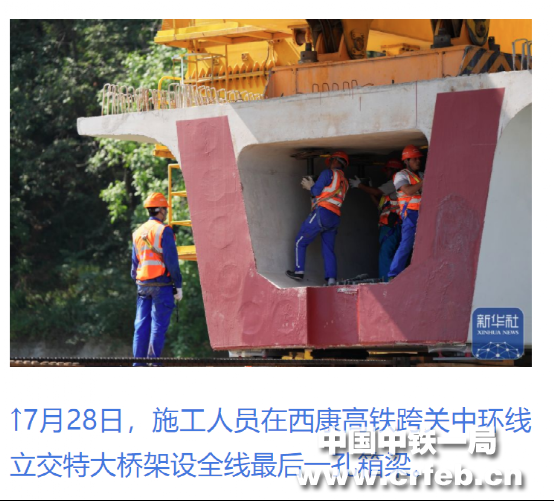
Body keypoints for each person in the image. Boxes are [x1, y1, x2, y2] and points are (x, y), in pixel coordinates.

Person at [131, 192, 183, 366]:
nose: (166, 212)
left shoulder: (137, 233)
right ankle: (153, 364)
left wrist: (140, 282)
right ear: (160, 210)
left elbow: (134, 265)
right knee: (158, 326)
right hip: (162, 285)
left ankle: (138, 365)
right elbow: (171, 262)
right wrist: (178, 285)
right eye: (165, 209)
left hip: (143, 285)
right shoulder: (163, 231)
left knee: (141, 325)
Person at [286, 151, 350, 286]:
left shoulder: (328, 173)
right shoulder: (345, 181)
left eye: (331, 160)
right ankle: (331, 280)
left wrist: (311, 187)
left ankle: (299, 272)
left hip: (322, 212)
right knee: (328, 249)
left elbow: (316, 192)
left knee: (300, 241)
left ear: (334, 160)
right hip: (335, 217)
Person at [349, 159, 403, 281]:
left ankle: (387, 281)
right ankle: (394, 280)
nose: (385, 173)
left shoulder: (395, 181)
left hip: (391, 225)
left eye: (387, 170)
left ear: (393, 170)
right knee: (392, 254)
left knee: (385, 255)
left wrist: (360, 186)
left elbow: (377, 192)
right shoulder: (394, 187)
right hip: (391, 225)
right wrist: (368, 189)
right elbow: (380, 206)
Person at [388, 145, 424, 279]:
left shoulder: (420, 175)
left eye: (419, 159)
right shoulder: (401, 175)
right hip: (410, 214)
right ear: (406, 161)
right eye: (414, 159)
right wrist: (424, 182)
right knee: (406, 244)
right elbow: (408, 191)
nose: (418, 161)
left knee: (423, 244)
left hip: (423, 213)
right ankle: (394, 274)